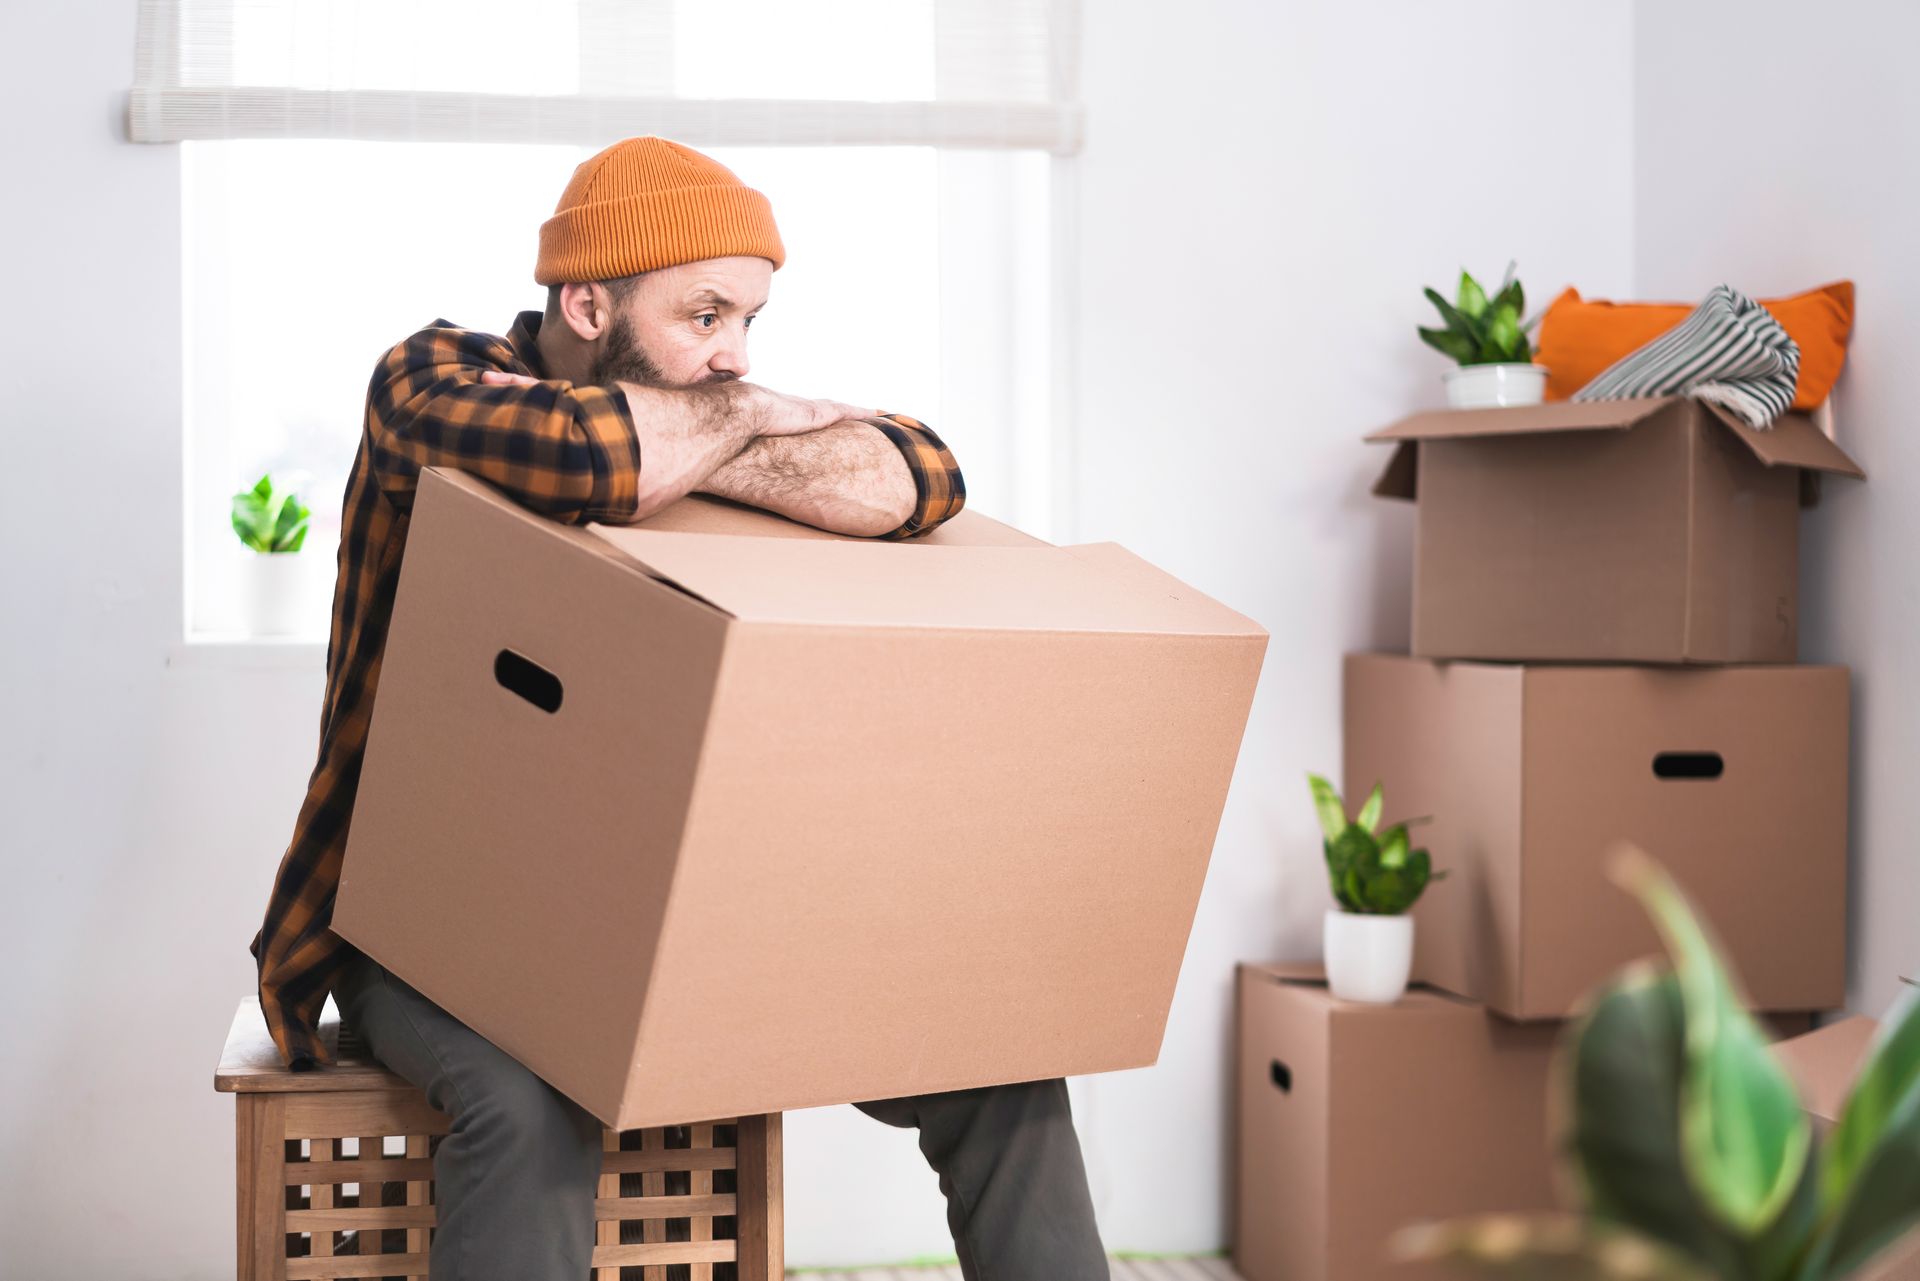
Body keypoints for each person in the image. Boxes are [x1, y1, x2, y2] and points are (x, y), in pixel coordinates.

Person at [248, 136, 1109, 1280]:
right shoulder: (426, 378)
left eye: (752, 323)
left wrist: (708, 438)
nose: (733, 359)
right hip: (433, 919)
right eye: (705, 316)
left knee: (1008, 1066)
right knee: (534, 1088)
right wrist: (766, 430)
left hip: (692, 909)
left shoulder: (700, 412)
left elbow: (923, 475)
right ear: (588, 303)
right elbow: (571, 452)